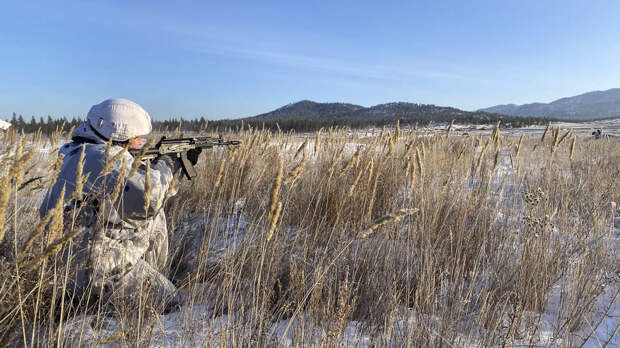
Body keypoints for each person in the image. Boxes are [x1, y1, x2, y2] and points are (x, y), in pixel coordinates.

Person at [39, 98, 201, 313]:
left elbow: (135, 194)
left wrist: (153, 168)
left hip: (73, 258)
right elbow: (147, 202)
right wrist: (170, 165)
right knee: (169, 302)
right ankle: (94, 307)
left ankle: (150, 273)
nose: (139, 143)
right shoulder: (101, 156)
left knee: (155, 220)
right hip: (92, 269)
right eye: (135, 138)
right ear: (118, 134)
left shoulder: (80, 150)